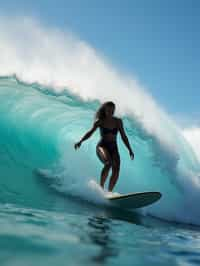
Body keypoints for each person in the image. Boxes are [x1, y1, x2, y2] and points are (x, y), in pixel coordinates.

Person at [74, 101, 134, 191]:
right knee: (108, 163)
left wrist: (129, 149)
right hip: (102, 146)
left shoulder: (118, 121)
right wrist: (80, 141)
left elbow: (124, 136)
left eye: (112, 111)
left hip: (114, 148)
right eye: (109, 110)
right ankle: (101, 189)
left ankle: (109, 192)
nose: (111, 112)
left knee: (116, 169)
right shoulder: (99, 121)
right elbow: (90, 133)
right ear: (105, 110)